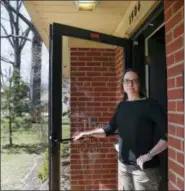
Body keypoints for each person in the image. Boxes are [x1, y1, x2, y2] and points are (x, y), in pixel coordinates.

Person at [72, 68, 168, 190]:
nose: (130, 84)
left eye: (134, 81)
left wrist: (149, 155)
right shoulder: (122, 106)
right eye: (127, 81)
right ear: (122, 85)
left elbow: (168, 135)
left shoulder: (151, 105)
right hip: (124, 166)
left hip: (144, 170)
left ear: (140, 84)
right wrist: (87, 133)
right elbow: (109, 129)